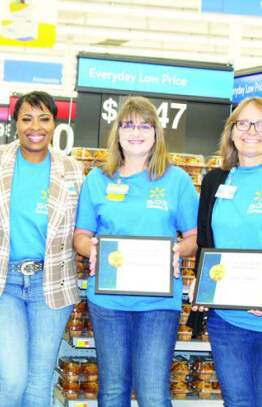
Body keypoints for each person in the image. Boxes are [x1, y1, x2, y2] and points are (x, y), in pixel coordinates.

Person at [73, 96, 198, 406]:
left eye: (145, 125)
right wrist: (92, 249)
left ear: (156, 133)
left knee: (152, 392)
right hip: (108, 299)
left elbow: (195, 237)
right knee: (112, 389)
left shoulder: (177, 180)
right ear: (118, 132)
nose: (136, 132)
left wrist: (178, 250)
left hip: (158, 301)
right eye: (128, 125)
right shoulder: (97, 180)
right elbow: (80, 235)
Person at [0, 91, 84, 407]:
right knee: (12, 379)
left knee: (38, 385)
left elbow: (85, 227)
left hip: (52, 284)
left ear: (54, 124)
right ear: (15, 123)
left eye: (44, 119)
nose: (36, 127)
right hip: (0, 282)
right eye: (27, 118)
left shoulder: (72, 170)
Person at [190, 96, 262, 406]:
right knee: (236, 402)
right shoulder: (214, 181)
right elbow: (206, 245)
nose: (251, 130)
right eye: (242, 123)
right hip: (227, 322)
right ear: (231, 131)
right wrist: (202, 279)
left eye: (261, 124)